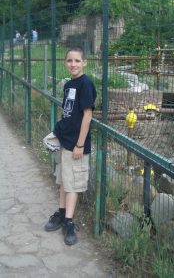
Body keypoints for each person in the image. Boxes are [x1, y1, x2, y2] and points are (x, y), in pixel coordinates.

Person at [44, 47, 97, 246]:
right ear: (65, 63)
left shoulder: (86, 84)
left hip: (77, 144)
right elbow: (68, 114)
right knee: (63, 180)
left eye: (76, 61)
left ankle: (69, 221)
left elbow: (87, 116)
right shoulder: (69, 85)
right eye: (69, 61)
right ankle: (60, 213)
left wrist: (80, 145)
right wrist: (57, 134)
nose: (73, 64)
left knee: (73, 183)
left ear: (85, 62)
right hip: (64, 140)